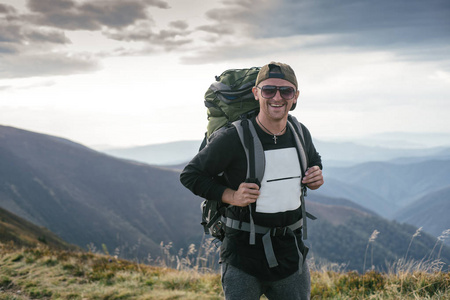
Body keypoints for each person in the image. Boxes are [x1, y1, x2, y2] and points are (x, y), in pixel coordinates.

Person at [180, 62, 324, 300]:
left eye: (286, 91)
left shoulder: (299, 132)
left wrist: (316, 176)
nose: (277, 97)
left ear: (295, 97)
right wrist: (231, 195)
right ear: (256, 93)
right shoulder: (233, 137)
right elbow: (191, 175)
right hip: (242, 258)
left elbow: (314, 162)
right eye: (268, 90)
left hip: (291, 254)